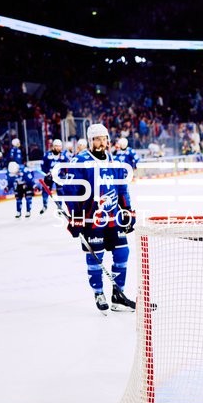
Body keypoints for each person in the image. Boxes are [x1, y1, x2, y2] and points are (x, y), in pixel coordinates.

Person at [60, 124, 136, 314]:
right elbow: (70, 192)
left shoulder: (114, 161)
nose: (102, 142)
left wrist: (127, 210)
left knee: (122, 253)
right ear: (90, 141)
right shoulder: (81, 161)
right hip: (91, 220)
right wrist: (75, 218)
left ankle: (118, 296)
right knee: (96, 257)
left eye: (104, 138)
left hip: (113, 218)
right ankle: (99, 293)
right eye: (97, 139)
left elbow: (122, 188)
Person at [39, 138, 68, 214]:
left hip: (59, 177)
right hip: (49, 176)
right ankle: (45, 205)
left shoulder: (63, 156)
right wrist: (47, 173)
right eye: (56, 146)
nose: (58, 148)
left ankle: (60, 207)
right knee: (45, 190)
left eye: (59, 146)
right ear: (53, 147)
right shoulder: (47, 155)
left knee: (60, 191)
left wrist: (65, 174)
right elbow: (43, 166)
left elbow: (67, 166)